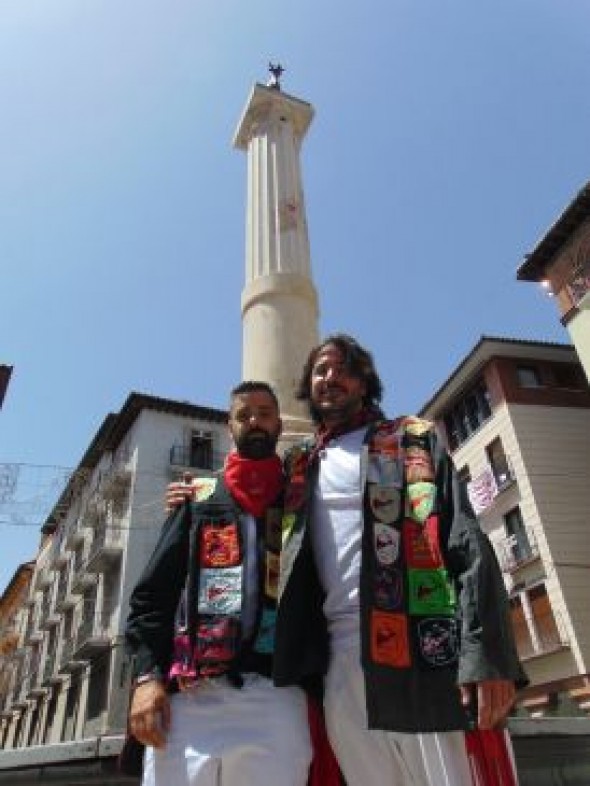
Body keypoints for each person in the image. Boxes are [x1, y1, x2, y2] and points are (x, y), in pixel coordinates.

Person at [271, 334, 528, 786]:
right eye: (319, 371)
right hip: (337, 666)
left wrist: (487, 659)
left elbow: (466, 543)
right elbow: (250, 520)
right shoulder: (298, 467)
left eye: (341, 369)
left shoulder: (412, 440)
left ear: (364, 382)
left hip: (423, 656)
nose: (329, 378)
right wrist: (193, 499)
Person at [124, 381, 313, 786]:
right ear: (231, 427)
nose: (255, 422)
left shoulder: (304, 500)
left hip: (278, 696)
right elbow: (153, 596)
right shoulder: (197, 498)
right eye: (244, 415)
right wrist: (146, 677)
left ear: (280, 424)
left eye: (265, 413)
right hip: (191, 699)